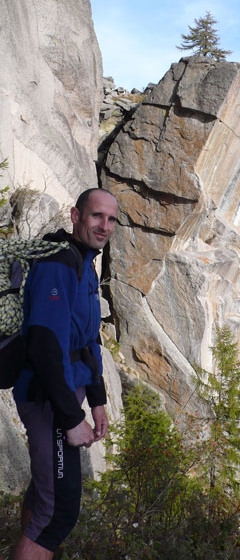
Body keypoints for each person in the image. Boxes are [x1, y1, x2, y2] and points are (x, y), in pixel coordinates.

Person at [11, 188, 119, 560]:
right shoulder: (59, 263)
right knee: (58, 512)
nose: (104, 226)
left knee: (45, 494)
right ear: (76, 216)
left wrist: (98, 401)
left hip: (64, 394)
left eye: (111, 219)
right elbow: (43, 344)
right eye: (95, 216)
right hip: (46, 397)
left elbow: (88, 341)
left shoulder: (83, 263)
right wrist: (72, 419)